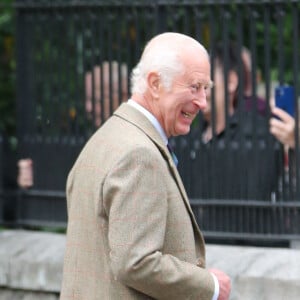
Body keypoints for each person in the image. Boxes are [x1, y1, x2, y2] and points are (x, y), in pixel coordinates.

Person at [60, 32, 231, 300]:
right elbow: (136, 262)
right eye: (194, 87)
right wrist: (210, 286)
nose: (203, 102)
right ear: (154, 83)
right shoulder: (139, 154)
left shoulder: (105, 138)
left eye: (206, 89)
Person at [191, 41, 281, 201]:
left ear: (231, 81)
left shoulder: (258, 133)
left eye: (205, 81)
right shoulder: (187, 139)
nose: (197, 90)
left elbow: (255, 197)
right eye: (194, 83)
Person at [17, 61, 128, 189]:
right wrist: (24, 180)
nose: (88, 107)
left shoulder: (135, 138)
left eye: (96, 100)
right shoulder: (77, 136)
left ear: (123, 96)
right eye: (87, 99)